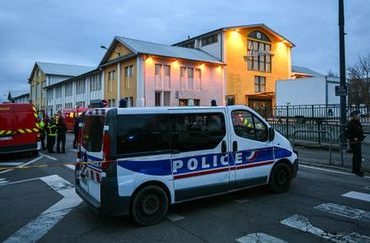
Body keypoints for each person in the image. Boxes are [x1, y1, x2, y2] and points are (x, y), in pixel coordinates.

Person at [345, 110, 365, 176]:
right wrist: (353, 138)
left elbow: (359, 131)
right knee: (357, 156)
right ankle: (357, 170)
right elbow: (347, 133)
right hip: (354, 142)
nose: (359, 117)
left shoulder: (357, 122)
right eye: (358, 115)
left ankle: (355, 169)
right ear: (354, 116)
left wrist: (361, 137)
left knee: (356, 156)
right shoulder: (351, 123)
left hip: (357, 141)